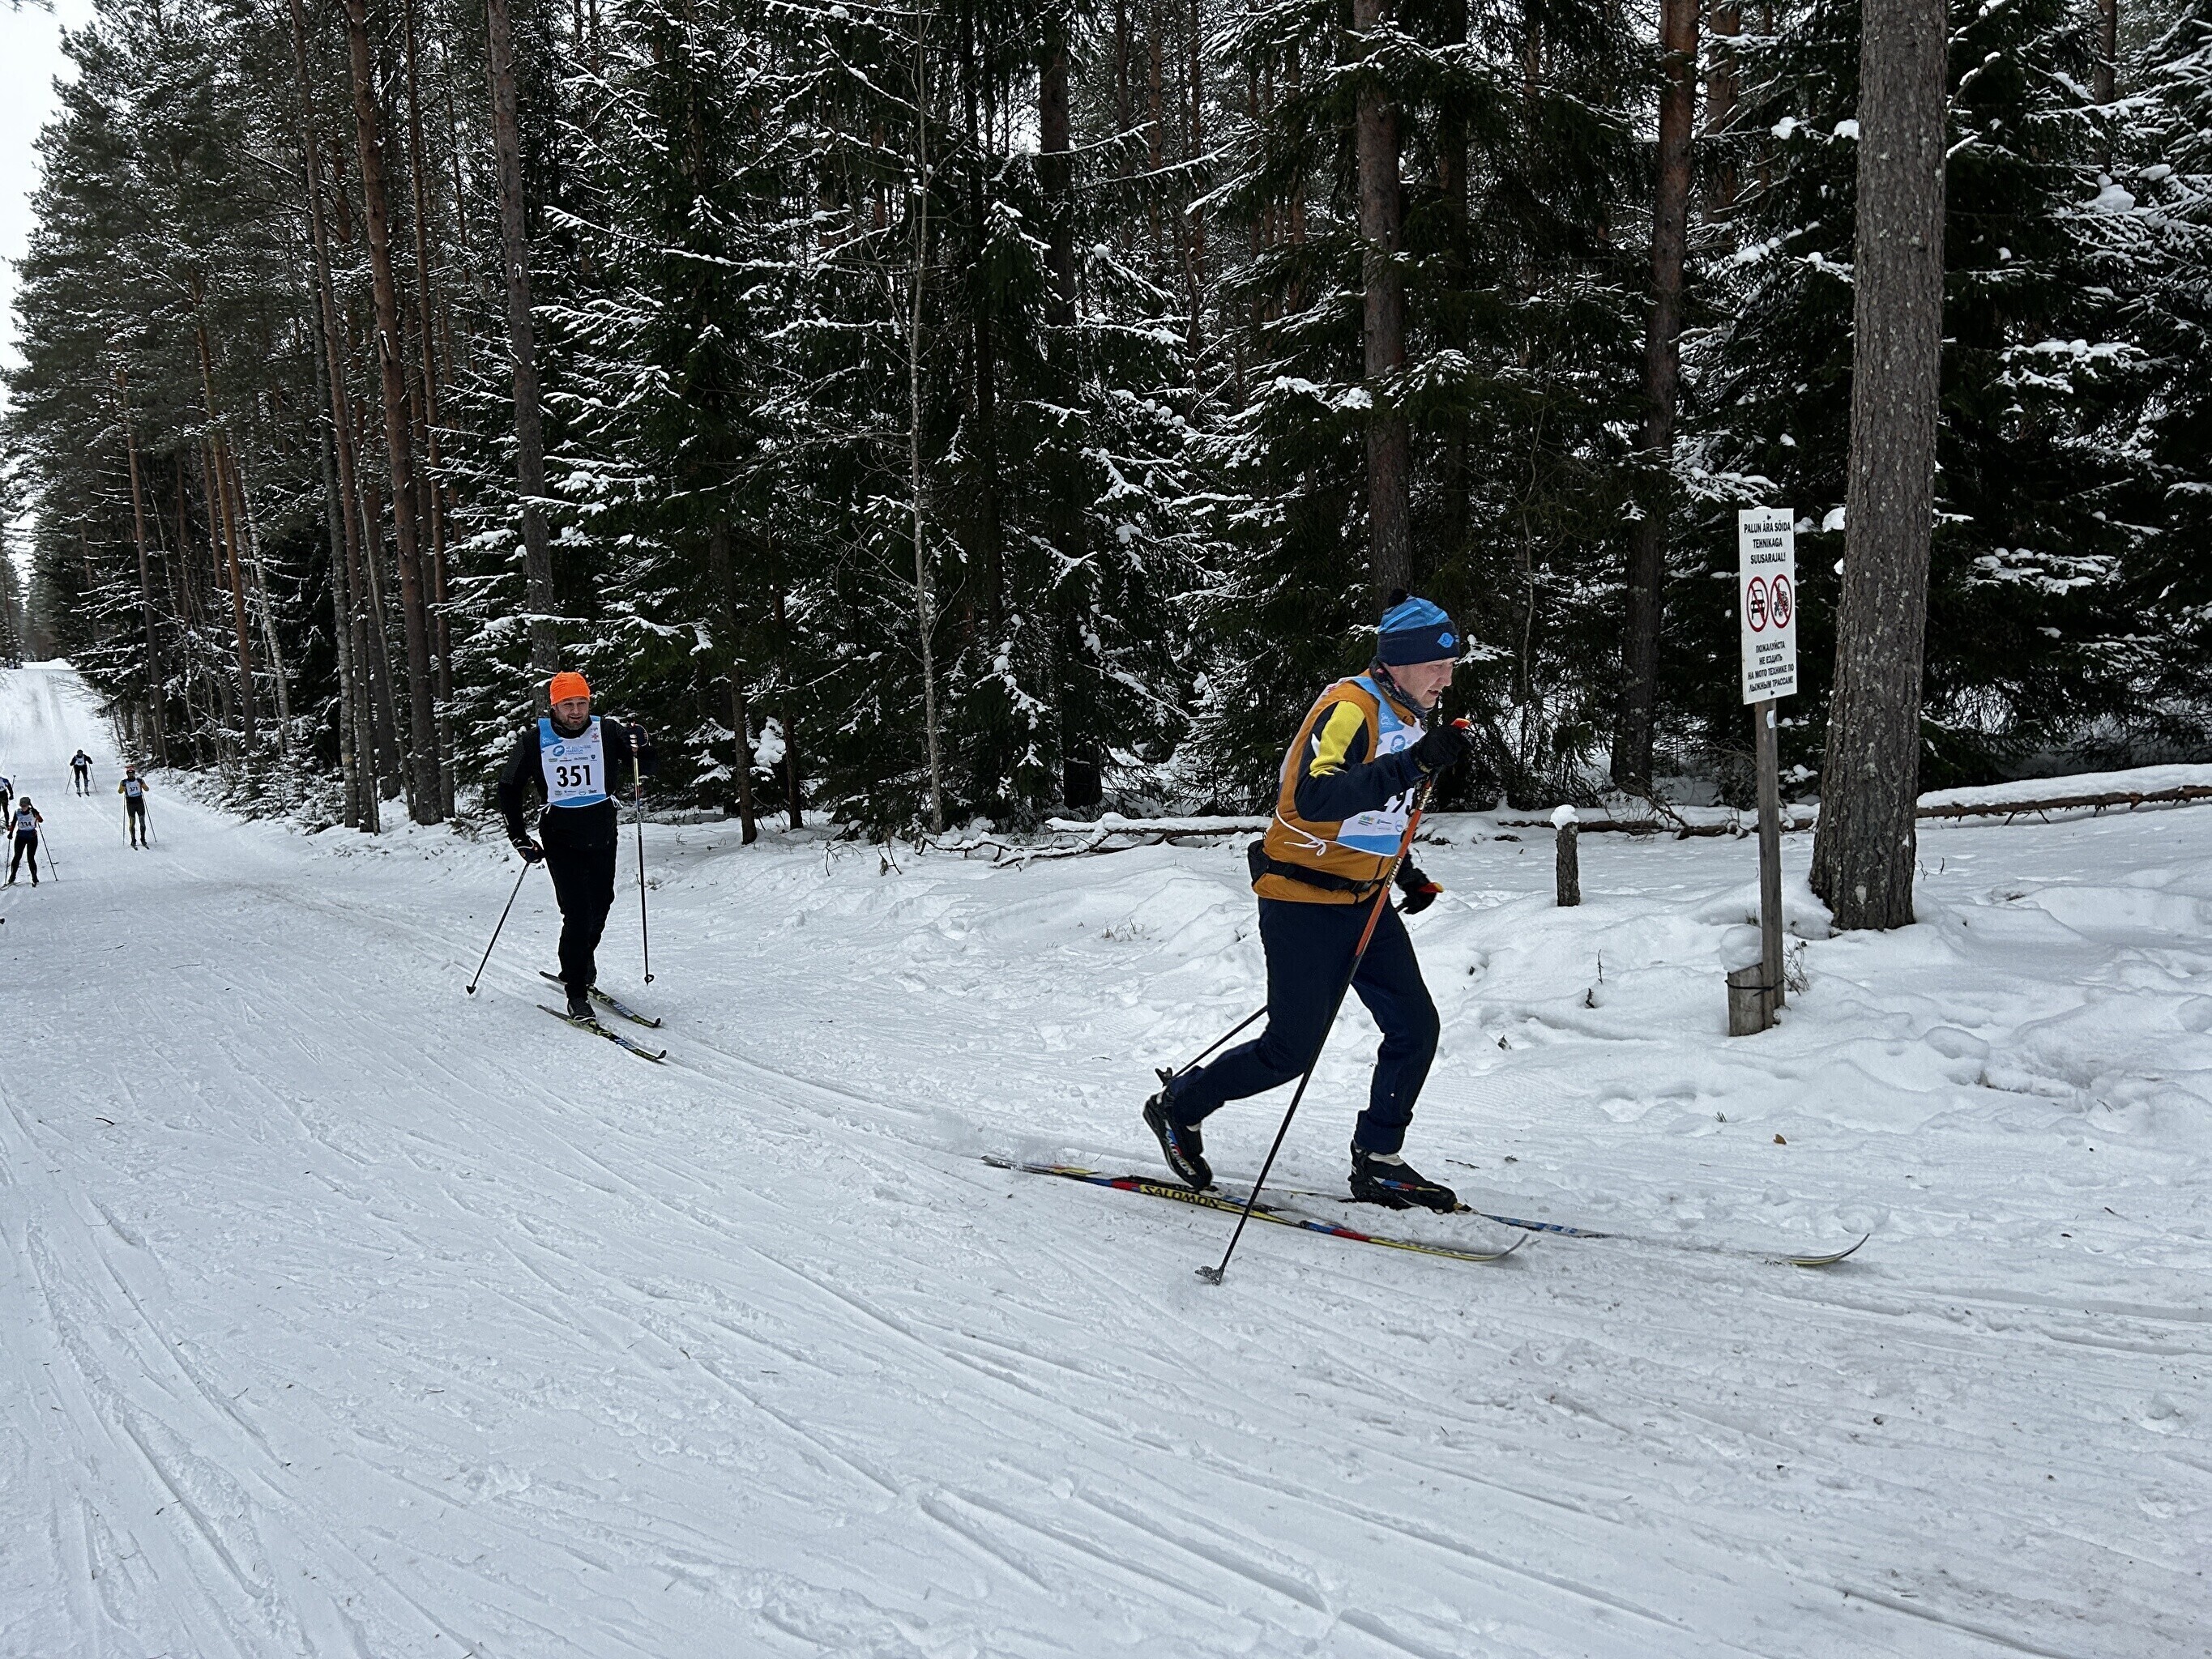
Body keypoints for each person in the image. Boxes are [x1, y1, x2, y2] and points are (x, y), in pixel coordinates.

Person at [1143, 593, 1473, 1212]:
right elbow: (1313, 799)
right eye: (1437, 665)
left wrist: (1406, 875)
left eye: (1451, 666)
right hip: (1302, 901)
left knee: (1415, 1027)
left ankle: (1379, 1161)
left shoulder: (1409, 716)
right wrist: (1414, 763)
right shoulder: (1350, 708)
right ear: (1401, 661)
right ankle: (1178, 1107)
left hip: (1366, 902)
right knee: (1290, 1050)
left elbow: (1376, 814)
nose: (1446, 678)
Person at [496, 671, 655, 1021]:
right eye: (568, 704)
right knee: (578, 913)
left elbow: (647, 764)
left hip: (602, 833)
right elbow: (508, 786)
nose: (576, 711)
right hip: (560, 837)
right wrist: (518, 836)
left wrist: (643, 743)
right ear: (554, 706)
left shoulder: (607, 731)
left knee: (601, 905)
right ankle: (576, 991)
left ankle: (580, 960)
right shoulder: (535, 740)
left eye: (582, 703)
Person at [7, 795, 45, 885]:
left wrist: (37, 814)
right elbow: (13, 823)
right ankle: (12, 877)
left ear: (28, 805)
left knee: (30, 858)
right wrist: (11, 833)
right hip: (20, 837)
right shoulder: (17, 812)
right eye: (22, 806)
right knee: (17, 857)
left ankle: (34, 877)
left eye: (25, 806)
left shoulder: (33, 812)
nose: (23, 807)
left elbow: (41, 821)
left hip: (32, 837)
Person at [119, 766, 151, 847]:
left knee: (142, 822)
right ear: (127, 774)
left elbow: (147, 789)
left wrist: (143, 786)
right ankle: (133, 840)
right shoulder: (124, 782)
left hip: (140, 803)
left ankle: (143, 839)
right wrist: (122, 788)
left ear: (134, 773)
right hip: (130, 804)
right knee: (132, 822)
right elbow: (120, 791)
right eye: (129, 774)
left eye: (132, 773)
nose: (131, 775)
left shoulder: (139, 781)